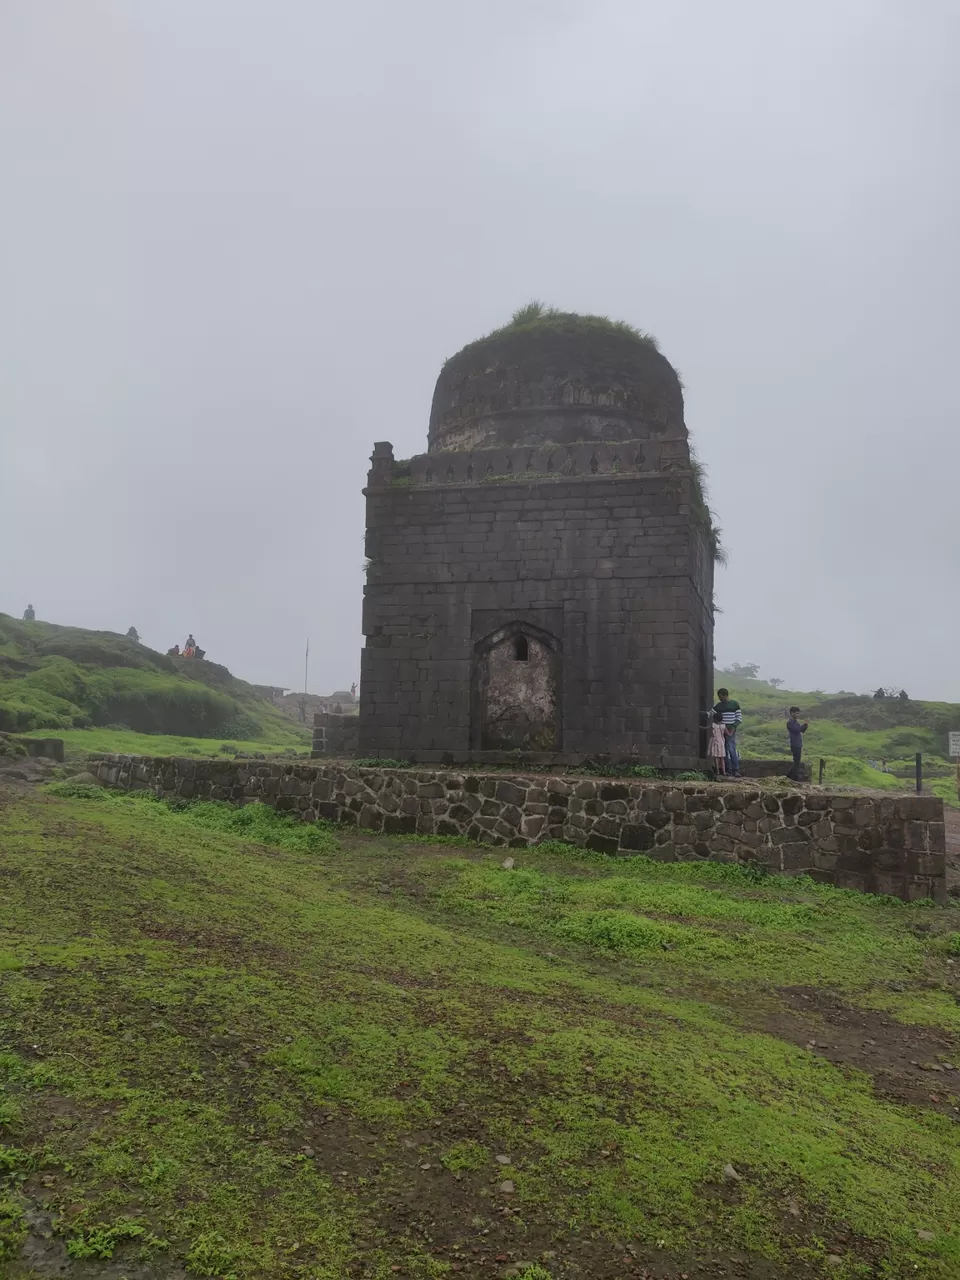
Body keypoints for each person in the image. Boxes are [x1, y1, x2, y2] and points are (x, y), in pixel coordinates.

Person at [714, 687, 742, 778]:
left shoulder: (734, 704)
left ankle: (736, 770)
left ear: (726, 695)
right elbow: (711, 713)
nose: (720, 699)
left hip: (730, 730)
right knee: (724, 751)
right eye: (719, 697)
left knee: (731, 749)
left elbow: (739, 719)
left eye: (721, 697)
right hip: (722, 730)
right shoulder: (718, 706)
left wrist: (733, 728)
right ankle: (728, 770)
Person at [786, 706, 809, 781]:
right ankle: (792, 778)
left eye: (799, 713)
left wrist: (805, 725)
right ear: (792, 713)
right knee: (796, 762)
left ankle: (789, 776)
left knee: (796, 762)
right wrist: (804, 725)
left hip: (798, 744)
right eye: (796, 713)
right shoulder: (790, 723)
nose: (798, 715)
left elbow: (802, 730)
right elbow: (797, 730)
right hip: (794, 744)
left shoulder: (796, 723)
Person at [707, 711, 727, 777]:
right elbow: (727, 733)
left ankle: (717, 771)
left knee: (716, 757)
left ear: (715, 719)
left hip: (715, 741)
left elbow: (707, 729)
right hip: (721, 742)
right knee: (722, 758)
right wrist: (732, 732)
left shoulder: (713, 725)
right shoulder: (723, 726)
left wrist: (700, 727)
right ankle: (724, 772)